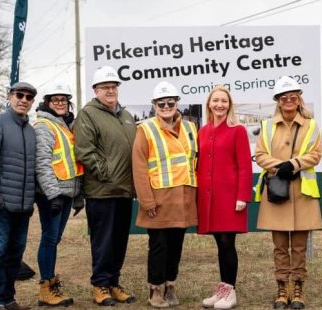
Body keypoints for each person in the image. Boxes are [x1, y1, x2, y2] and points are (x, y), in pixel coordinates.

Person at [254, 76, 322, 310]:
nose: (289, 100)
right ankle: (282, 288)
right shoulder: (266, 127)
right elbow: (260, 155)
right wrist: (278, 167)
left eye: (293, 97)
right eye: (284, 98)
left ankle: (298, 288)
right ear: (278, 101)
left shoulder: (312, 125)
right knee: (280, 246)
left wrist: (293, 165)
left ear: (299, 99)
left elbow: (315, 154)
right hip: (277, 192)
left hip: (302, 193)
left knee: (300, 247)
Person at [73, 66, 136, 306]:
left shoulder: (126, 116)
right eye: (105, 87)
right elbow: (84, 151)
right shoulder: (88, 114)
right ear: (96, 90)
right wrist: (107, 174)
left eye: (113, 86)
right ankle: (100, 285)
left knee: (119, 240)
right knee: (103, 241)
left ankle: (113, 282)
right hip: (102, 191)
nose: (110, 91)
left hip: (124, 190)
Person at [132, 81, 198, 308]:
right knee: (159, 246)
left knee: (176, 245)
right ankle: (155, 290)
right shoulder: (145, 129)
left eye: (170, 102)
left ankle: (171, 285)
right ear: (154, 105)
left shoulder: (190, 128)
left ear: (177, 103)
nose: (166, 106)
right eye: (161, 103)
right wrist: (146, 200)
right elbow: (139, 168)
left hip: (183, 198)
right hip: (158, 200)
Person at [0, 81, 38, 310]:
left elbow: (32, 169)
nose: (24, 100)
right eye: (19, 95)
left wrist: (30, 200)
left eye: (29, 97)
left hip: (22, 207)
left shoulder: (31, 132)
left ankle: (9, 299)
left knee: (15, 255)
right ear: (10, 97)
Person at [197, 86, 253, 309]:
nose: (220, 104)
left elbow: (245, 167)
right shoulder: (203, 131)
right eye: (216, 100)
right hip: (208, 198)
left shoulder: (237, 130)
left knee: (228, 243)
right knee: (219, 244)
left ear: (229, 105)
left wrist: (242, 196)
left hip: (230, 197)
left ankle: (230, 292)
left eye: (224, 101)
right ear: (209, 104)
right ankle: (222, 290)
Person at [33, 82, 85, 307]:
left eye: (64, 100)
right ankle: (46, 288)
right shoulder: (44, 126)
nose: (61, 103)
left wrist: (77, 195)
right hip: (51, 194)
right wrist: (52, 194)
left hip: (65, 193)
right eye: (56, 100)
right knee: (50, 238)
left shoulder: (66, 126)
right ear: (47, 103)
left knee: (55, 239)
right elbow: (42, 163)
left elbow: (73, 162)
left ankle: (51, 283)